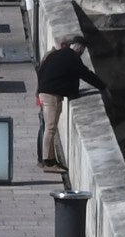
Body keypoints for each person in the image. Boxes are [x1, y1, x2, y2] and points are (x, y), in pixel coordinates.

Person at [36, 31, 99, 170]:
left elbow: (67, 76)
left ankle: (50, 160)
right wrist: (103, 86)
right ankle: (48, 162)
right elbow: (85, 74)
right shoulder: (72, 57)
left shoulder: (57, 54)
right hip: (50, 94)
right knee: (50, 128)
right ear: (78, 47)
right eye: (82, 49)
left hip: (46, 92)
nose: (82, 52)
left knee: (49, 127)